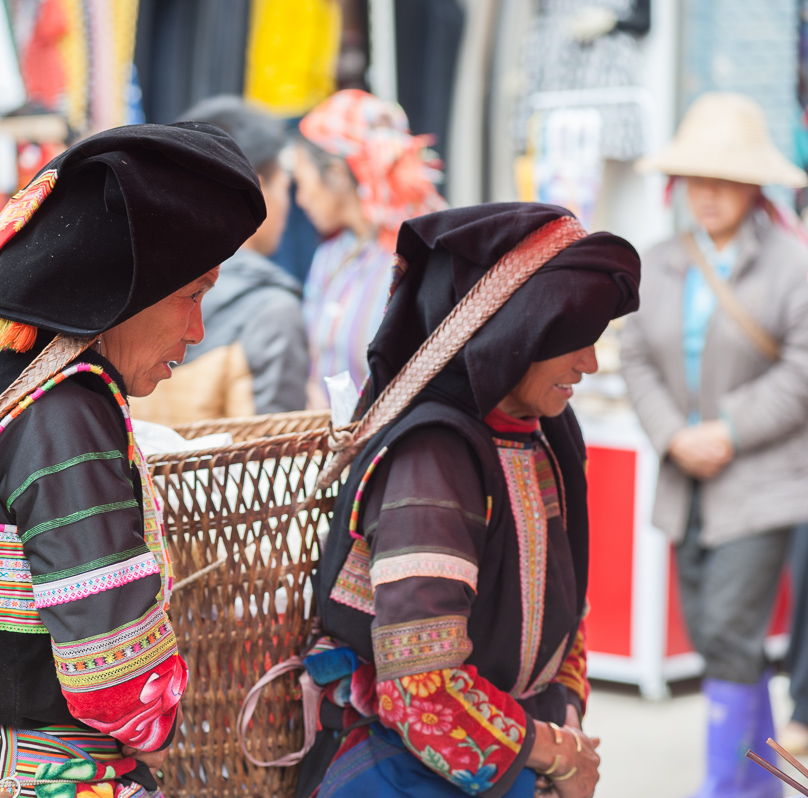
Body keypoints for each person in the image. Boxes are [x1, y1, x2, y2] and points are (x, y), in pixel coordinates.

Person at [0, 124, 264, 796]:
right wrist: (157, 730)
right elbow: (112, 677)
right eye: (191, 295)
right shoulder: (64, 414)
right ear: (126, 293)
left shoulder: (8, 384)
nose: (197, 331)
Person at [304, 203, 640, 798]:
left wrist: (565, 725)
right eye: (574, 341)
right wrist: (555, 755)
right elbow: (421, 689)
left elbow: (569, 610)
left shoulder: (546, 437)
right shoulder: (434, 459)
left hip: (519, 751)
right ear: (515, 332)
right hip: (408, 772)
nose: (588, 364)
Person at [621, 92, 808, 798]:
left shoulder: (793, 266)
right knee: (714, 635)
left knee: (729, 633)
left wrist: (727, 431)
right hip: (684, 480)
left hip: (763, 481)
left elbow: (803, 368)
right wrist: (675, 434)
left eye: (725, 179)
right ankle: (761, 784)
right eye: (697, 178)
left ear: (754, 186)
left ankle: (723, 789)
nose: (709, 194)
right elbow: (634, 355)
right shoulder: (659, 261)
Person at [129, 95, 308, 424]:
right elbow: (275, 462)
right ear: (255, 186)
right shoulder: (271, 312)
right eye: (285, 186)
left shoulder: (135, 292)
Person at [292, 88, 446, 405]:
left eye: (303, 182)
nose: (300, 199)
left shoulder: (414, 259)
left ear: (335, 174)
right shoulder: (330, 257)